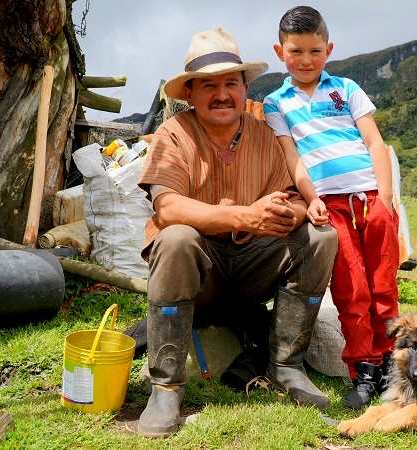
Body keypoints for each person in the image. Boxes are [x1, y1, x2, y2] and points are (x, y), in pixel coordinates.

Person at [135, 27, 338, 438]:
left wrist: (290, 212)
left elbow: (295, 196)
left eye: (231, 83)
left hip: (251, 269)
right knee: (176, 236)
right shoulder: (172, 135)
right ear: (189, 94)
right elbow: (168, 207)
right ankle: (166, 387)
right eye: (209, 86)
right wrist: (246, 217)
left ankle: (286, 367)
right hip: (198, 275)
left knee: (321, 237)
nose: (222, 94)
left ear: (245, 88)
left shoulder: (265, 136)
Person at [263, 6, 400, 410]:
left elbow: (374, 143)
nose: (306, 60)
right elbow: (293, 158)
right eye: (296, 51)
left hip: (372, 198)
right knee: (351, 289)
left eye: (315, 50)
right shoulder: (276, 102)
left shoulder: (347, 88)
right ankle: (364, 371)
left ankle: (394, 367)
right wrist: (312, 200)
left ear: (329, 49)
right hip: (331, 209)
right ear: (279, 50)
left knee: (383, 289)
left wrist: (387, 198)